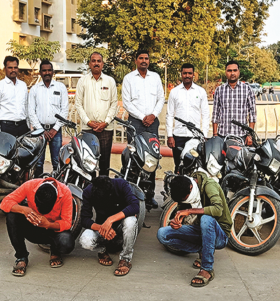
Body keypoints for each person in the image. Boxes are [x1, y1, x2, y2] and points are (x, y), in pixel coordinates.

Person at [157, 173, 232, 287]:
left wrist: (190, 211)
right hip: (200, 231)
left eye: (185, 198)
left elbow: (218, 210)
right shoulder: (184, 191)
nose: (185, 201)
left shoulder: (209, 185)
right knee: (162, 234)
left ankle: (207, 269)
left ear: (191, 187)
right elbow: (182, 213)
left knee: (206, 219)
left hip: (220, 235)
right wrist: (176, 223)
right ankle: (205, 250)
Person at [1, 177, 75, 276]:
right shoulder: (30, 185)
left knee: (66, 242)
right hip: (33, 229)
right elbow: (4, 203)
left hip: (52, 232)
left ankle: (55, 251)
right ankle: (21, 257)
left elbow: (67, 223)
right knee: (11, 216)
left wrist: (48, 224)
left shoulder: (65, 192)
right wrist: (24, 209)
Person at [122, 49, 165, 207]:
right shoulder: (129, 79)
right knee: (135, 159)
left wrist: (152, 115)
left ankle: (149, 196)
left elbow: (161, 98)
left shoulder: (156, 77)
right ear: (136, 60)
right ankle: (133, 195)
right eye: (141, 58)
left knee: (152, 158)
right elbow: (126, 102)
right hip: (135, 123)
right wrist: (142, 117)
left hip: (152, 122)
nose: (144, 61)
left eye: (146, 58)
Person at [79, 176, 140, 276]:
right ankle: (102, 250)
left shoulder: (121, 184)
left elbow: (135, 206)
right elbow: (85, 219)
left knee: (131, 221)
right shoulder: (88, 191)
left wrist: (110, 220)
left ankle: (125, 259)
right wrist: (102, 228)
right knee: (85, 240)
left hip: (121, 226)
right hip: (102, 229)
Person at [75, 52, 118, 176]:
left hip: (106, 128)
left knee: (104, 162)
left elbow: (114, 104)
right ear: (89, 64)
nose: (96, 63)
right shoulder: (82, 81)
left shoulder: (110, 81)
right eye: (93, 61)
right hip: (88, 128)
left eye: (99, 61)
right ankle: (90, 191)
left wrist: (105, 122)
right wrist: (88, 121)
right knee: (88, 162)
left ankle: (103, 191)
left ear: (102, 64)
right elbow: (78, 104)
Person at [166, 63, 209, 173]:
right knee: (179, 167)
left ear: (193, 74)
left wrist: (204, 135)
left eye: (190, 73)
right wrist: (170, 135)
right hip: (178, 136)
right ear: (181, 74)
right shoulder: (175, 92)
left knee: (194, 167)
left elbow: (205, 114)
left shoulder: (200, 91)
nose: (187, 75)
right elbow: (170, 114)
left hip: (195, 137)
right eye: (185, 73)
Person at [29, 60, 69, 177]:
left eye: (49, 70)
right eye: (44, 70)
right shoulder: (35, 89)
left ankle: (57, 188)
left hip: (55, 131)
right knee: (38, 163)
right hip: (39, 131)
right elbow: (31, 111)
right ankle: (38, 188)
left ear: (53, 72)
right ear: (40, 72)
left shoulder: (60, 87)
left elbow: (64, 109)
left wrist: (55, 128)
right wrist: (41, 130)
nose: (47, 72)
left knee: (57, 162)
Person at [212, 60, 256, 145]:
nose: (232, 73)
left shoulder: (247, 89)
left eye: (235, 70)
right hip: (223, 135)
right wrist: (215, 134)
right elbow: (215, 113)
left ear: (238, 72)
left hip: (241, 136)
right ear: (226, 72)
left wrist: (250, 135)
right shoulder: (219, 90)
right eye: (229, 70)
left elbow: (252, 113)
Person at [0, 56, 30, 137]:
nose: (13, 70)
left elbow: (26, 106)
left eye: (15, 67)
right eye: (10, 68)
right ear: (5, 69)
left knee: (23, 149)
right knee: (8, 150)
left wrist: (28, 125)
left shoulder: (23, 85)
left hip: (23, 126)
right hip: (6, 126)